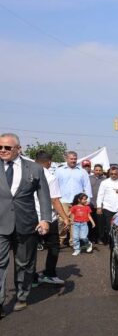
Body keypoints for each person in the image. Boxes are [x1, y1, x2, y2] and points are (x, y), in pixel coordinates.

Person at [0, 133, 51, 315]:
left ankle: (22, 295)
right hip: (1, 224)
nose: (3, 150)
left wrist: (45, 219)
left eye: (7, 147)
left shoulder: (35, 168)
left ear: (18, 149)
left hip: (26, 223)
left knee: (24, 262)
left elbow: (44, 196)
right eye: (0, 147)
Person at [33, 151, 69, 286]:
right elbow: (54, 200)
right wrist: (65, 218)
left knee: (30, 249)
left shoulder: (26, 173)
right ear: (49, 162)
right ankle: (49, 274)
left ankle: (31, 278)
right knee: (54, 246)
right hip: (47, 217)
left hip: (29, 217)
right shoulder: (50, 176)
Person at [55, 151, 92, 248]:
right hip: (63, 200)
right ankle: (60, 241)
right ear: (66, 159)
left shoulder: (82, 171)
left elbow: (87, 186)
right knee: (62, 221)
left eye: (75, 159)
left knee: (75, 222)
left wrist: (87, 200)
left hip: (77, 202)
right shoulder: (59, 170)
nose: (73, 160)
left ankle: (73, 242)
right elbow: (55, 185)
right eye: (71, 159)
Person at [96, 166, 118, 244]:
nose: (113, 175)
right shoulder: (104, 182)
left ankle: (117, 241)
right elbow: (100, 195)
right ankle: (110, 241)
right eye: (111, 174)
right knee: (109, 226)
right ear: (109, 174)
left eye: (115, 174)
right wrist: (99, 207)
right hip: (108, 207)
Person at [84, 161, 105, 243]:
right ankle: (90, 238)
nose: (98, 172)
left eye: (100, 170)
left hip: (100, 205)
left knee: (100, 223)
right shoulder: (88, 179)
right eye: (96, 170)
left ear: (102, 171)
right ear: (94, 170)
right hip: (90, 204)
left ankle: (99, 238)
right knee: (89, 222)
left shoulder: (105, 180)